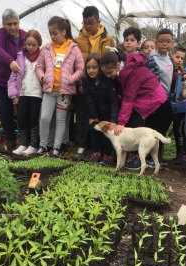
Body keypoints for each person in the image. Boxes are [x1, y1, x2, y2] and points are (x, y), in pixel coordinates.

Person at [100, 47, 166, 170]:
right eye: (105, 74)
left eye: (110, 72)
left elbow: (129, 98)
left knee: (136, 122)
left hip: (153, 98)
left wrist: (121, 123)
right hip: (142, 97)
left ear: (118, 65)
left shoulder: (131, 72)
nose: (108, 76)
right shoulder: (123, 71)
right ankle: (131, 156)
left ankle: (136, 156)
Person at [35, 16, 84, 158]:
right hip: (49, 91)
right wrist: (43, 77)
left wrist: (71, 79)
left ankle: (57, 148)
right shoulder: (46, 48)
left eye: (55, 33)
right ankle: (43, 146)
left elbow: (80, 68)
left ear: (63, 32)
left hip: (65, 93)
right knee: (44, 118)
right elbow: (39, 66)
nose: (52, 36)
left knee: (61, 120)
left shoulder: (73, 48)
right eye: (50, 33)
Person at [74, 6, 115, 160]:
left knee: (101, 115)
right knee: (83, 115)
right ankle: (82, 145)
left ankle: (100, 149)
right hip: (84, 82)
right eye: (85, 23)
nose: (88, 26)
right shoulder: (78, 40)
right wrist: (79, 83)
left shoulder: (108, 39)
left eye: (91, 23)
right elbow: (75, 63)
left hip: (102, 84)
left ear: (98, 21)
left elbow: (111, 60)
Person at [0, 9, 26, 154]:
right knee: (5, 110)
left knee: (23, 110)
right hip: (2, 79)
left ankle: (25, 140)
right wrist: (10, 61)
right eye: (9, 24)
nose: (13, 27)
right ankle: (10, 138)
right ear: (3, 24)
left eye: (15, 23)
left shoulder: (25, 36)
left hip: (20, 81)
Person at [7, 30, 43, 156]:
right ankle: (23, 143)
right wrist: (14, 95)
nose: (30, 47)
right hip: (23, 93)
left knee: (33, 120)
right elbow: (13, 78)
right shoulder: (21, 57)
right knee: (21, 119)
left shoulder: (43, 57)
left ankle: (33, 145)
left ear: (39, 44)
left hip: (37, 94)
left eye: (33, 45)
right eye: (28, 44)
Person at [83, 53, 120, 167]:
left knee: (107, 133)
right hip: (94, 112)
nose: (91, 71)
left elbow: (114, 101)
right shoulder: (86, 80)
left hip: (108, 113)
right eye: (88, 68)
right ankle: (96, 153)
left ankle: (108, 155)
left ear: (100, 68)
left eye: (94, 67)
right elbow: (88, 99)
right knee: (94, 129)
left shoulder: (107, 80)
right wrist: (93, 116)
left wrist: (113, 119)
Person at [145, 28, 175, 167]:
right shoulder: (152, 59)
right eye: (161, 41)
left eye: (168, 41)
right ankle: (149, 159)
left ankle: (156, 158)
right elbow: (152, 82)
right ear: (156, 43)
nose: (164, 44)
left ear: (172, 43)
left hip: (166, 98)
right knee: (154, 128)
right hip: (156, 100)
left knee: (162, 128)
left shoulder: (170, 58)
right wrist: (157, 99)